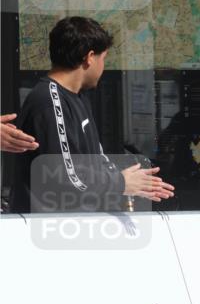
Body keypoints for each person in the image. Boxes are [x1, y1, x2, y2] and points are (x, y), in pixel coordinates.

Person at [9, 17, 174, 213]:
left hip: (80, 222)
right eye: (103, 59)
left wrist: (132, 182)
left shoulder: (78, 97)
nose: (103, 66)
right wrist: (120, 182)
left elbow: (95, 159)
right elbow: (66, 176)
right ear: (89, 57)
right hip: (50, 225)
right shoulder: (49, 102)